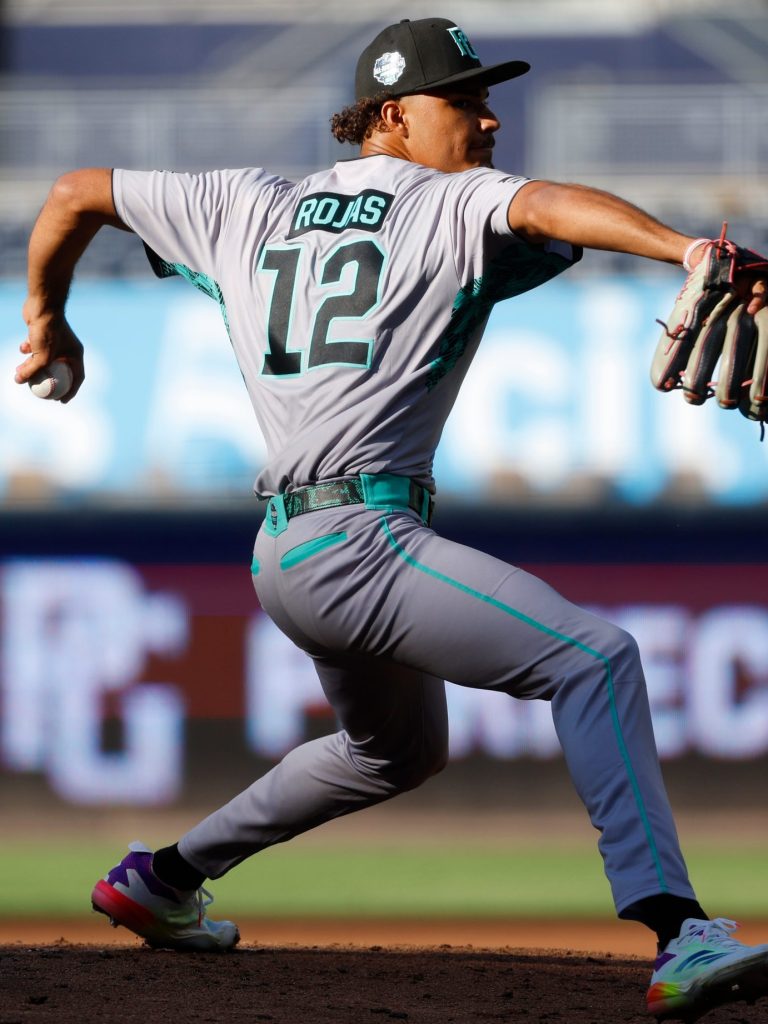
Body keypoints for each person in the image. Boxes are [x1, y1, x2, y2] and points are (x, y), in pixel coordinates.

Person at [17, 16, 768, 1022]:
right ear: (394, 114)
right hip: (364, 541)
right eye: (465, 98)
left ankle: (163, 875)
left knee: (394, 751)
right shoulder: (452, 204)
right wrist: (684, 247)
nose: (491, 115)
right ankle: (680, 929)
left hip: (282, 551)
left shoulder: (245, 202)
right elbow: (552, 205)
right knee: (594, 659)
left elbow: (74, 193)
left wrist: (46, 319)